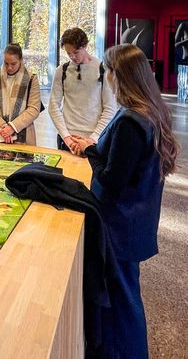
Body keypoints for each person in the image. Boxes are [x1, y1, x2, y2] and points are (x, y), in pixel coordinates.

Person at [72, 44, 179, 358]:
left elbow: (111, 181)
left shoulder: (131, 121)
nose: (106, 77)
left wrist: (91, 150)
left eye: (109, 71)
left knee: (122, 299)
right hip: (133, 225)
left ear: (122, 75)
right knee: (126, 293)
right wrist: (97, 146)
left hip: (117, 227)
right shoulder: (149, 112)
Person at [48, 27, 116, 154]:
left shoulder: (103, 70)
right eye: (68, 53)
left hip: (95, 139)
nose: (72, 56)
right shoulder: (61, 70)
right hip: (67, 139)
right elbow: (53, 106)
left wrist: (93, 139)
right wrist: (67, 137)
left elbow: (110, 109)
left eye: (76, 52)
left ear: (85, 46)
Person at [0, 43, 41, 145]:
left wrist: (12, 127)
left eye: (13, 64)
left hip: (24, 135)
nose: (9, 67)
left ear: (21, 60)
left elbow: (34, 109)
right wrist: (2, 128)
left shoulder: (31, 79)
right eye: (6, 63)